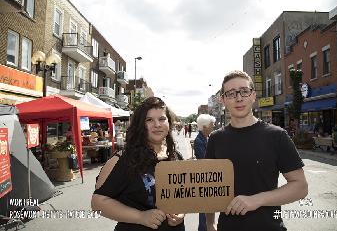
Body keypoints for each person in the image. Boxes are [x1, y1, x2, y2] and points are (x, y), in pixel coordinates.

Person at [205, 70, 308, 231]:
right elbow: (208, 187)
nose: (239, 98)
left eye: (244, 91)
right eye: (231, 93)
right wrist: (209, 224)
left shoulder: (277, 135)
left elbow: (300, 187)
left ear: (253, 96)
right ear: (223, 100)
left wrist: (257, 200)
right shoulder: (215, 139)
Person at [91, 97, 185, 231]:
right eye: (149, 120)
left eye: (162, 119)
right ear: (141, 125)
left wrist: (181, 213)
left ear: (169, 123)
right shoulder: (123, 159)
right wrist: (140, 216)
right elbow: (98, 203)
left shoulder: (176, 157)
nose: (157, 124)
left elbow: (183, 195)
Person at [194, 114, 216, 231]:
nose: (213, 126)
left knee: (209, 207)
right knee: (205, 208)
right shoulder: (199, 140)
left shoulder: (206, 138)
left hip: (209, 177)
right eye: (212, 125)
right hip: (204, 177)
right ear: (205, 126)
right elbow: (204, 159)